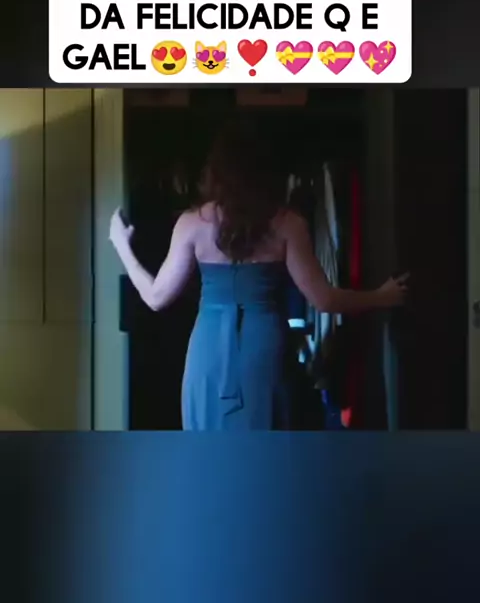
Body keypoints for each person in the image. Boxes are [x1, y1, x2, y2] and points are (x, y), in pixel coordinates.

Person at [109, 120, 408, 431]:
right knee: (266, 442)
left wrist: (122, 246)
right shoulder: (288, 224)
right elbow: (324, 299)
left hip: (208, 348)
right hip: (264, 343)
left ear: (217, 171)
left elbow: (156, 297)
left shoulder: (192, 223)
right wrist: (382, 296)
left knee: (209, 446)